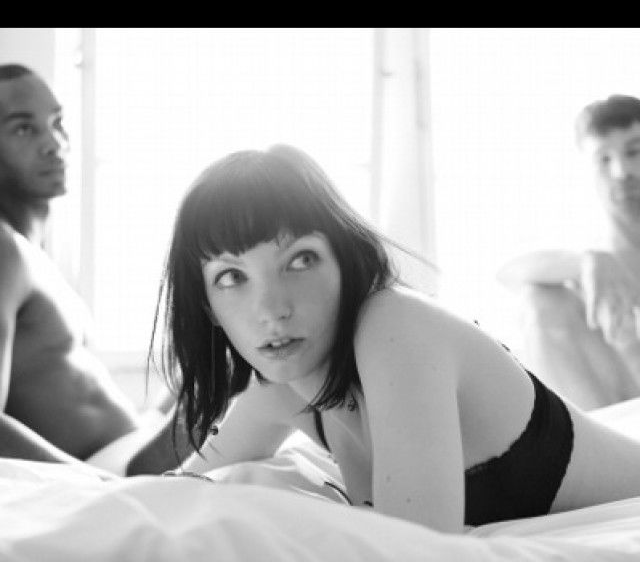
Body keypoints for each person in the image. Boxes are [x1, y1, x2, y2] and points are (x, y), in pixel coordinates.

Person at [152, 142, 640, 534]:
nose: (272, 309)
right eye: (231, 277)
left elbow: (409, 548)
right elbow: (172, 490)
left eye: (300, 260)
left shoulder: (395, 326)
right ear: (207, 308)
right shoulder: (276, 390)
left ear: (344, 260)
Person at [0, 63, 191, 476]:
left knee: (228, 363)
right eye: (24, 128)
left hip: (128, 450)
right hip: (100, 476)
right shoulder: (3, 250)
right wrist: (96, 486)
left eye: (58, 123)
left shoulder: (37, 256)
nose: (54, 143)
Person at [497, 95, 640, 411]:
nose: (621, 172)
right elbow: (506, 272)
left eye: (634, 152)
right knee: (541, 299)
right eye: (604, 159)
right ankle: (594, 438)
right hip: (617, 421)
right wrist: (586, 262)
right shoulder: (586, 256)